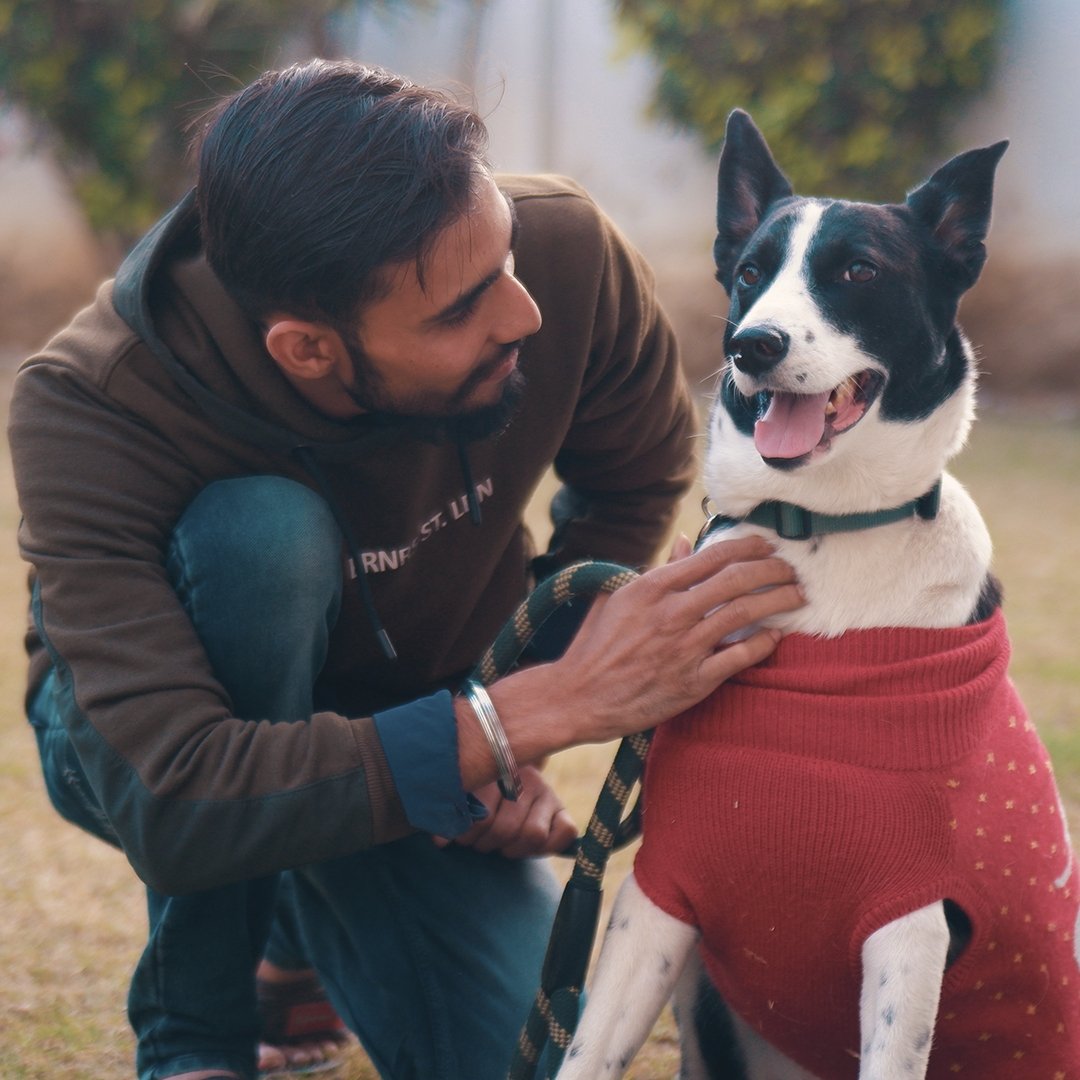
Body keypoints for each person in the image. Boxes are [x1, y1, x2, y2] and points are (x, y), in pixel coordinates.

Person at [8, 58, 803, 1080]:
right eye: (461, 310)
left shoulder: (564, 251)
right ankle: (197, 1036)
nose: (522, 315)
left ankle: (296, 943)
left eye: (506, 261)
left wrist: (497, 730)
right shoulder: (93, 405)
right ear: (308, 351)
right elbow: (175, 797)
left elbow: (636, 473)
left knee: (525, 1061)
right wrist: (525, 714)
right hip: (157, 750)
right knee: (261, 539)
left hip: (424, 715)